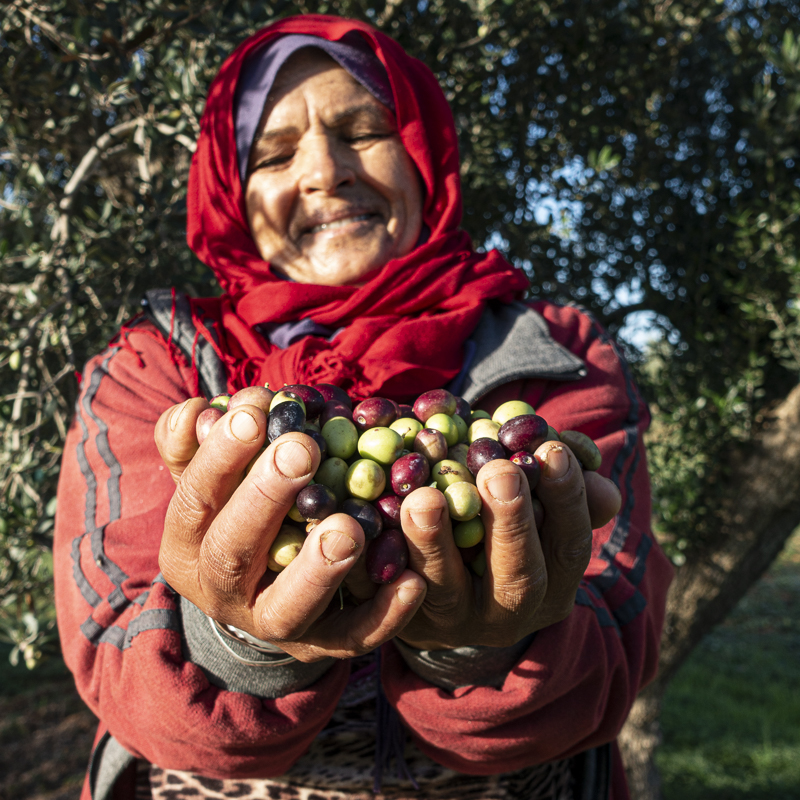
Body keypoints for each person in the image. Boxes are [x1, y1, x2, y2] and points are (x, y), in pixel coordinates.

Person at [53, 14, 673, 800]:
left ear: (424, 155)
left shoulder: (555, 356)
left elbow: (612, 657)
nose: (324, 172)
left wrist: (480, 651)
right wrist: (239, 640)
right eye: (275, 153)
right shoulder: (154, 366)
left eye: (364, 130)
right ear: (231, 194)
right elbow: (119, 667)